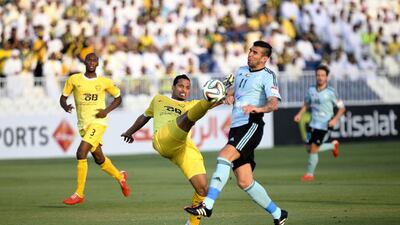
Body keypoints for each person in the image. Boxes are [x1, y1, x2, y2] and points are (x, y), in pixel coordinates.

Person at [184, 41, 288, 225]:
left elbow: (273, 103)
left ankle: (207, 205)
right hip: (237, 126)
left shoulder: (267, 76)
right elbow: (235, 90)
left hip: (251, 124)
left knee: (224, 156)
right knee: (245, 181)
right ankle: (279, 214)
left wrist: (258, 108)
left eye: (255, 52)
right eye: (250, 50)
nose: (250, 54)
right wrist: (228, 94)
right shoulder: (241, 70)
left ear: (265, 58)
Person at [121, 74, 224, 225]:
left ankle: (192, 223)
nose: (184, 90)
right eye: (181, 86)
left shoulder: (191, 104)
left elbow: (219, 99)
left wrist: (225, 92)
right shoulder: (159, 100)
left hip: (182, 146)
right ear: (173, 87)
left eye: (188, 88)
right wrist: (130, 131)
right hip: (163, 139)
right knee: (189, 117)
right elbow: (144, 117)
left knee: (202, 189)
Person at [60, 53, 130, 205]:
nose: (92, 62)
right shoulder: (74, 79)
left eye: (94, 60)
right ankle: (120, 177)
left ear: (98, 63)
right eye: (89, 60)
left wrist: (106, 111)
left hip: (99, 122)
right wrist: (65, 106)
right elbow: (63, 98)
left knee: (81, 152)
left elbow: (118, 98)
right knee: (99, 158)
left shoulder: (104, 82)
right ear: (85, 62)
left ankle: (79, 193)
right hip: (83, 125)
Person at [293, 64, 346, 182]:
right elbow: (307, 104)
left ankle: (309, 174)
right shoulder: (311, 90)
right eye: (318, 75)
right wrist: (299, 114)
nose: (320, 77)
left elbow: (342, 108)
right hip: (312, 123)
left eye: (322, 75)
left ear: (327, 77)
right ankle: (333, 145)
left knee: (313, 148)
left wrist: (334, 120)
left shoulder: (331, 92)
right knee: (308, 147)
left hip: (325, 124)